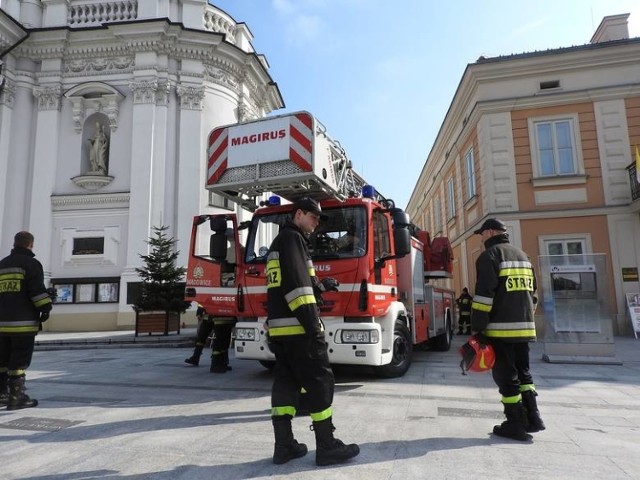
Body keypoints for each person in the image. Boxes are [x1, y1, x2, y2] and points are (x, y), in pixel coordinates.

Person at [266, 197, 359, 466]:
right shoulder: (292, 240)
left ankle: (284, 446)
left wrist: (320, 285)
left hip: (282, 330)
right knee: (320, 382)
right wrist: (312, 327)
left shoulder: (281, 242)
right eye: (314, 217)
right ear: (298, 214)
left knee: (285, 383)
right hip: (300, 329)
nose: (317, 222)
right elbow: (297, 289)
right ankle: (327, 446)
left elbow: (286, 284)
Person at [470, 218, 545, 441]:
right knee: (524, 373)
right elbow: (533, 294)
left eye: (482, 234)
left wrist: (479, 328)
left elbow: (484, 296)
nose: (482, 238)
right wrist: (526, 319)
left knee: (506, 376)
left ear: (491, 232)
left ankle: (514, 423)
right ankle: (533, 417)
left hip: (500, 330)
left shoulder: (490, 256)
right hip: (524, 328)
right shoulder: (523, 256)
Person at [0, 231, 53, 410]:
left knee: (2, 360)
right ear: (30, 244)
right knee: (19, 361)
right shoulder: (31, 264)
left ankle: (2, 394)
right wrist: (46, 308)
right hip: (22, 325)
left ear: (15, 244)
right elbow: (36, 292)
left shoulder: (2, 264)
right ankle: (17, 397)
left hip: (1, 325)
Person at [184, 305, 235, 373]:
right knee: (203, 338)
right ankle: (196, 357)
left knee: (222, 339)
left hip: (217, 314)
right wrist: (200, 309)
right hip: (210, 315)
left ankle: (222, 362)